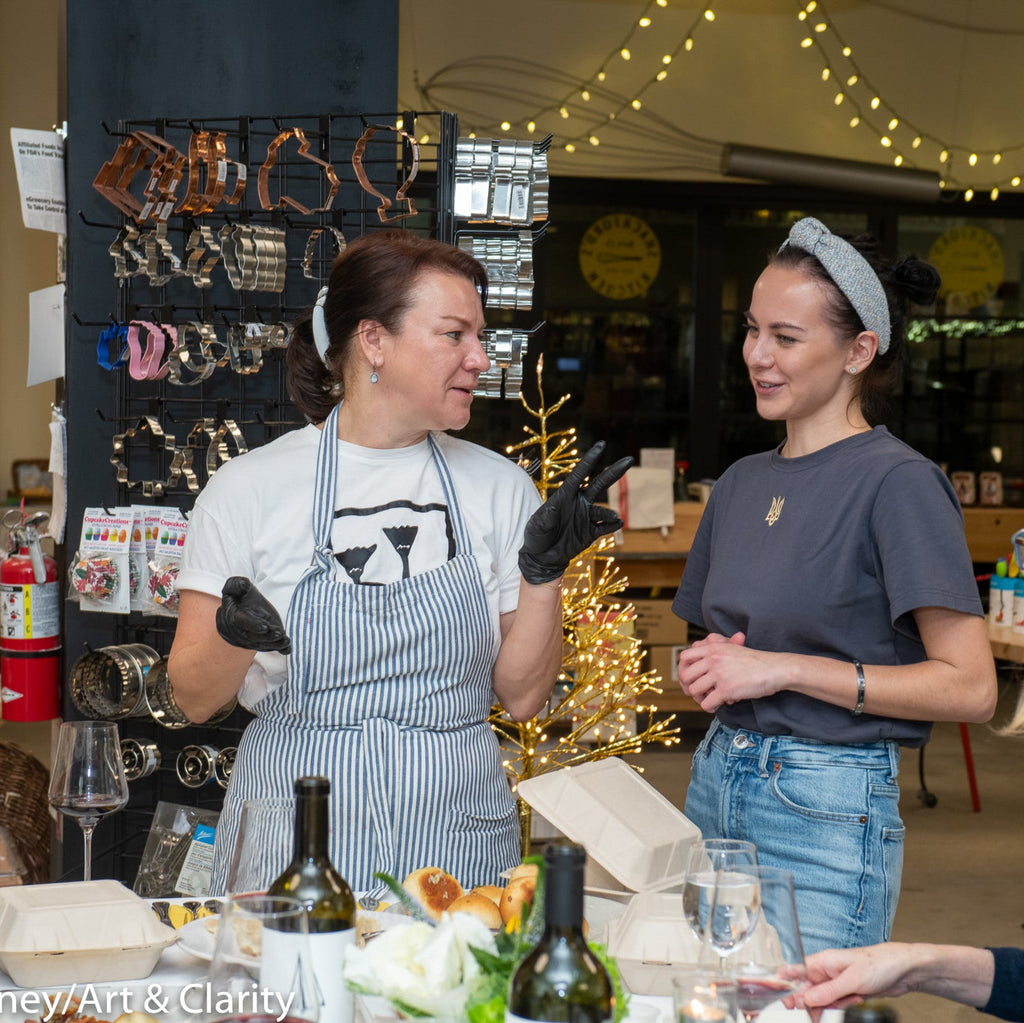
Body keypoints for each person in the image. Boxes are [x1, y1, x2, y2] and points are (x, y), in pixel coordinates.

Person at [168, 231, 630, 895]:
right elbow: (193, 696)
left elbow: (524, 698)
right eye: (454, 334)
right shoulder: (248, 490)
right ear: (374, 340)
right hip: (296, 835)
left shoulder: (498, 488)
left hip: (455, 835)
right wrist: (235, 638)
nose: (479, 357)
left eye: (481, 335)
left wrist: (542, 578)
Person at [671, 216, 997, 953]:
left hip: (827, 800)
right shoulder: (741, 483)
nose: (757, 354)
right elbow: (723, 647)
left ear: (859, 350)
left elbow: (972, 687)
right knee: (707, 999)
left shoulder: (900, 483)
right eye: (753, 329)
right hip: (718, 776)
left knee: (805, 1005)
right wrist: (709, 667)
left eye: (786, 337)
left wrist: (783, 668)